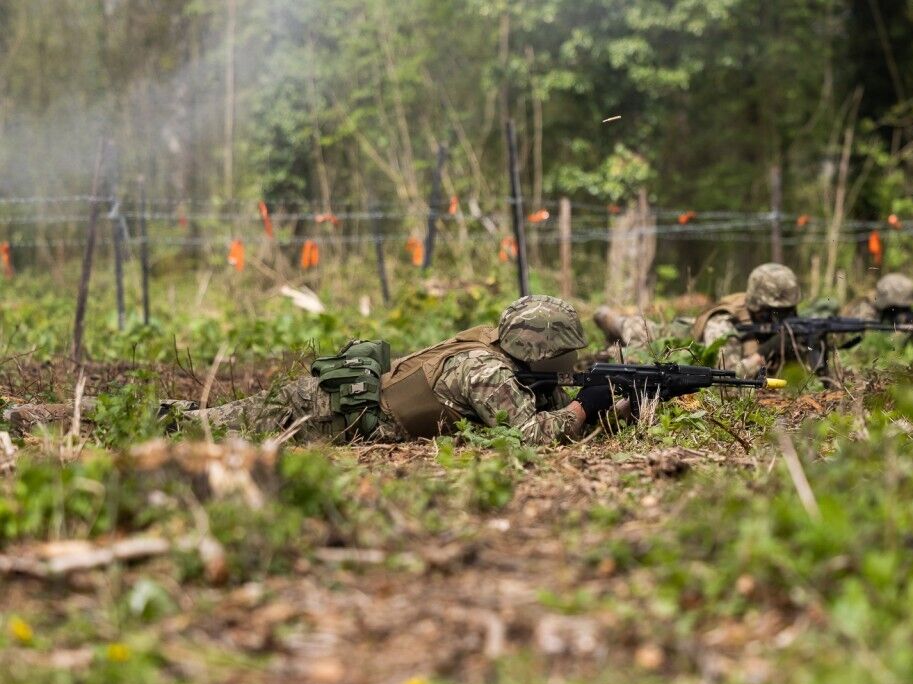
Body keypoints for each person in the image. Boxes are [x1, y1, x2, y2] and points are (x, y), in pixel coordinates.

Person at [3, 296, 621, 446]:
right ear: (546, 352)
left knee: (191, 422)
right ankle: (32, 418)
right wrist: (589, 405)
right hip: (325, 412)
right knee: (190, 429)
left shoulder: (495, 352)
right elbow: (530, 437)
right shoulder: (487, 373)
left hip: (335, 401)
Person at [594, 262, 803, 378]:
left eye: (788, 311)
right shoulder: (723, 323)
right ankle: (605, 317)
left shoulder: (776, 323)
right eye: (776, 312)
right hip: (666, 338)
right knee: (632, 332)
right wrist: (764, 353)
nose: (783, 318)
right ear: (758, 306)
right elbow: (728, 377)